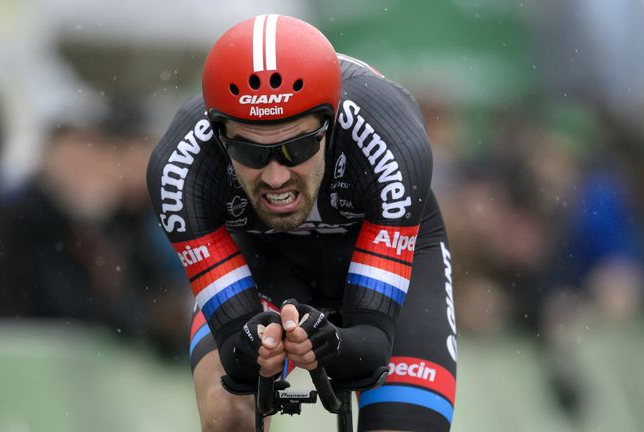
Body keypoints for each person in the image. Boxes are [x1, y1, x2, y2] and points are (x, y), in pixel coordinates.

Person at [147, 15, 457, 431]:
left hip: (376, 242)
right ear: (220, 137)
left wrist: (338, 345)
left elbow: (372, 347)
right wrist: (254, 348)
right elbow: (237, 365)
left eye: (297, 148)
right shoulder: (181, 171)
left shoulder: (391, 141)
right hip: (265, 257)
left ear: (331, 125)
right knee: (227, 415)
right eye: (251, 153)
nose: (276, 177)